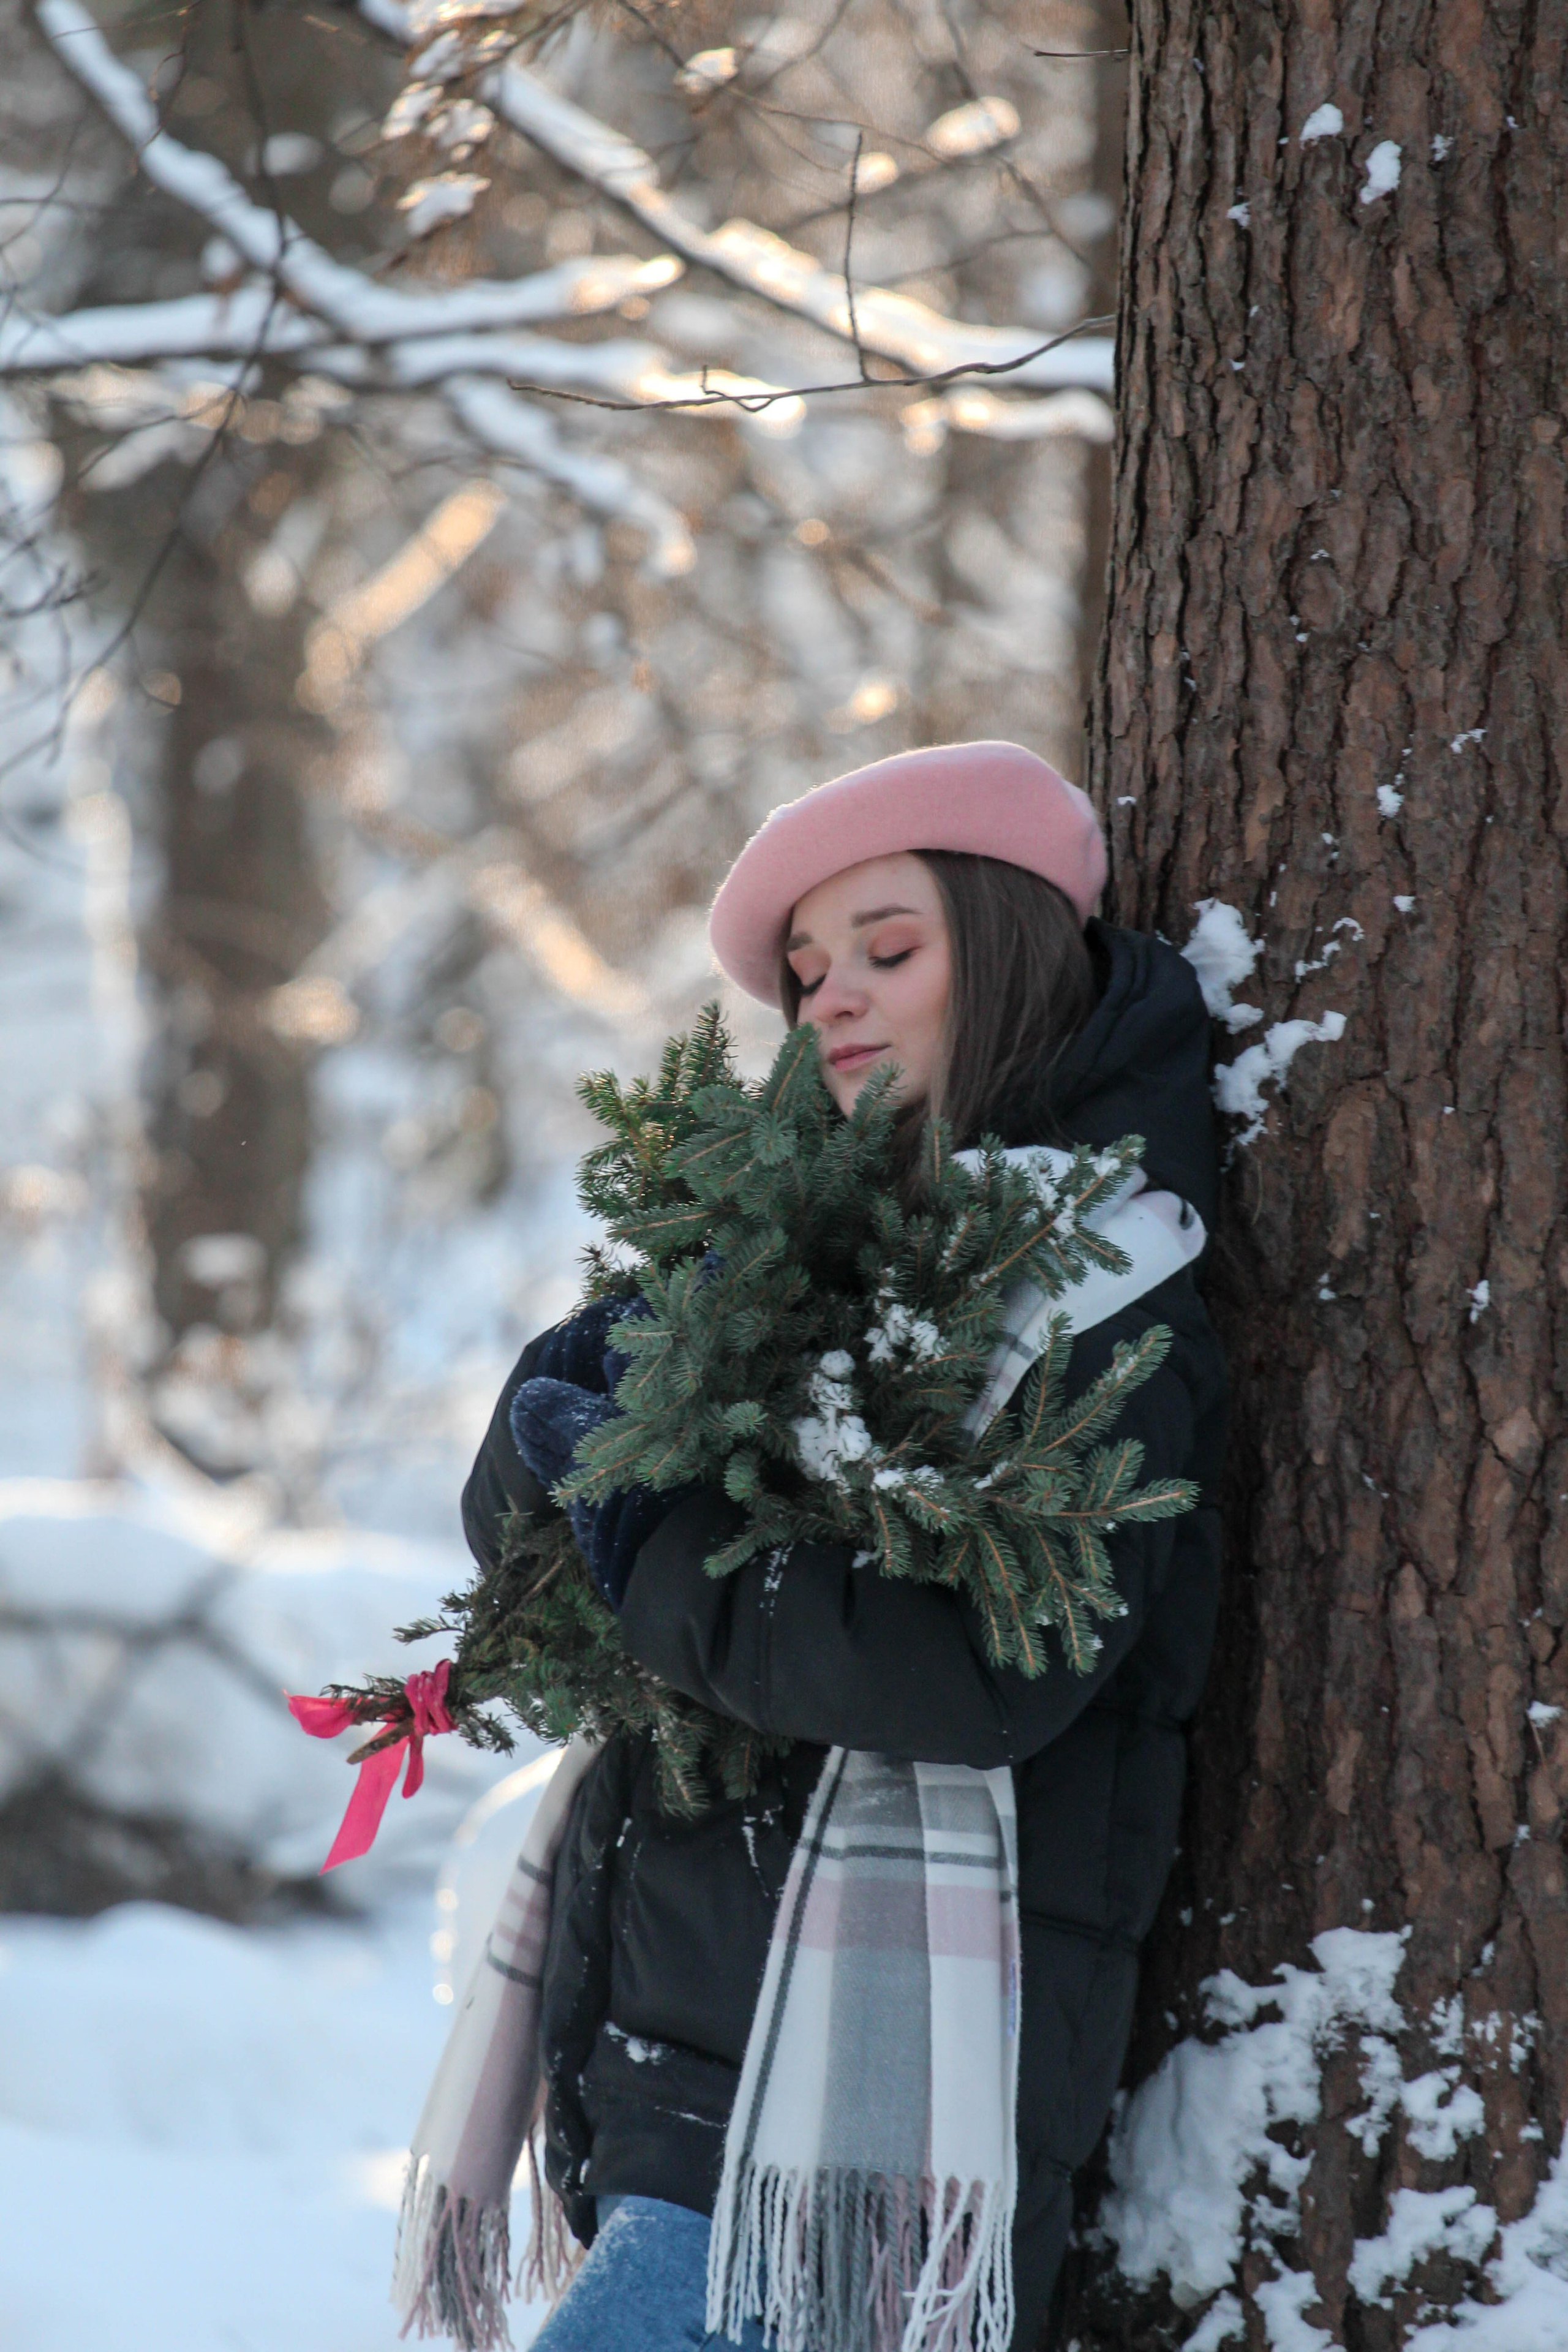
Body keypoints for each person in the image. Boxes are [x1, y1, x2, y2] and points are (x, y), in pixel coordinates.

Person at [459, 741, 1227, 2352]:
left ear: (1011, 951)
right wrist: (567, 1426)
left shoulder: (1099, 1283)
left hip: (853, 2131)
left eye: (891, 948)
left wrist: (650, 1531)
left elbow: (971, 1664)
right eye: (810, 973)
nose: (834, 1002)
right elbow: (540, 1601)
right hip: (688, 2081)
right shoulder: (791, 1256)